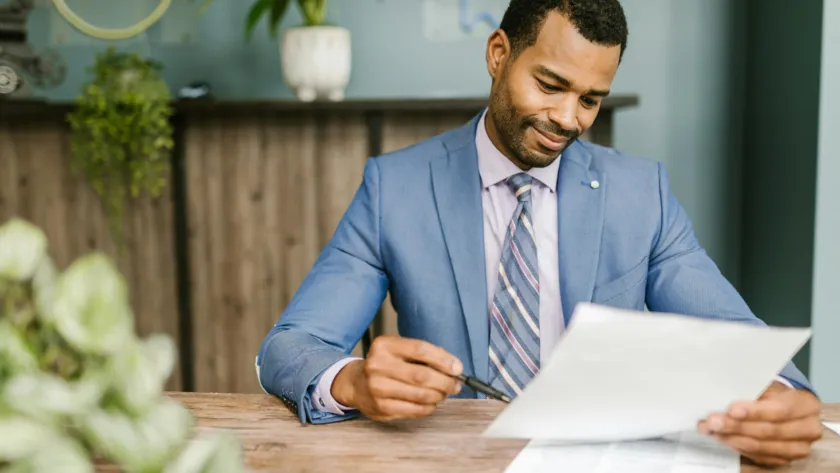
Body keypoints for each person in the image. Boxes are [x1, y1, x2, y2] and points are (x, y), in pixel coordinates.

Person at [256, 0, 823, 467]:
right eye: (550, 84)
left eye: (589, 99)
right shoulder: (395, 188)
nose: (568, 118)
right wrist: (352, 381)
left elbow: (739, 335)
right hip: (454, 457)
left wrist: (783, 397)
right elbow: (287, 347)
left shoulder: (640, 193)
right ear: (498, 54)